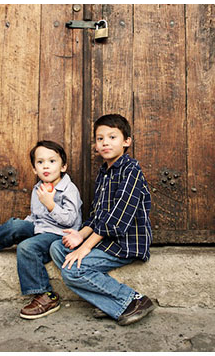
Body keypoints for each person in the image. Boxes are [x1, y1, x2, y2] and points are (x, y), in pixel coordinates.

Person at [49, 113, 155, 325]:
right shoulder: (104, 173)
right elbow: (97, 216)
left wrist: (85, 248)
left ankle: (134, 300)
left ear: (126, 142)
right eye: (100, 138)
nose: (105, 142)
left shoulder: (131, 170)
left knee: (72, 272)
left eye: (112, 137)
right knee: (57, 248)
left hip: (125, 243)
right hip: (104, 239)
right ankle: (111, 305)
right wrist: (80, 235)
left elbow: (116, 220)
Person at [0, 140, 82, 320]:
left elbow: (70, 220)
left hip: (58, 235)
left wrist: (51, 205)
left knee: (26, 247)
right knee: (16, 224)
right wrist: (23, 226)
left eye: (52, 161)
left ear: (63, 167)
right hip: (40, 227)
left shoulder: (69, 189)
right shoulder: (39, 187)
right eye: (40, 162)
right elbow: (35, 216)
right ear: (34, 169)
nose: (45, 166)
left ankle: (45, 295)